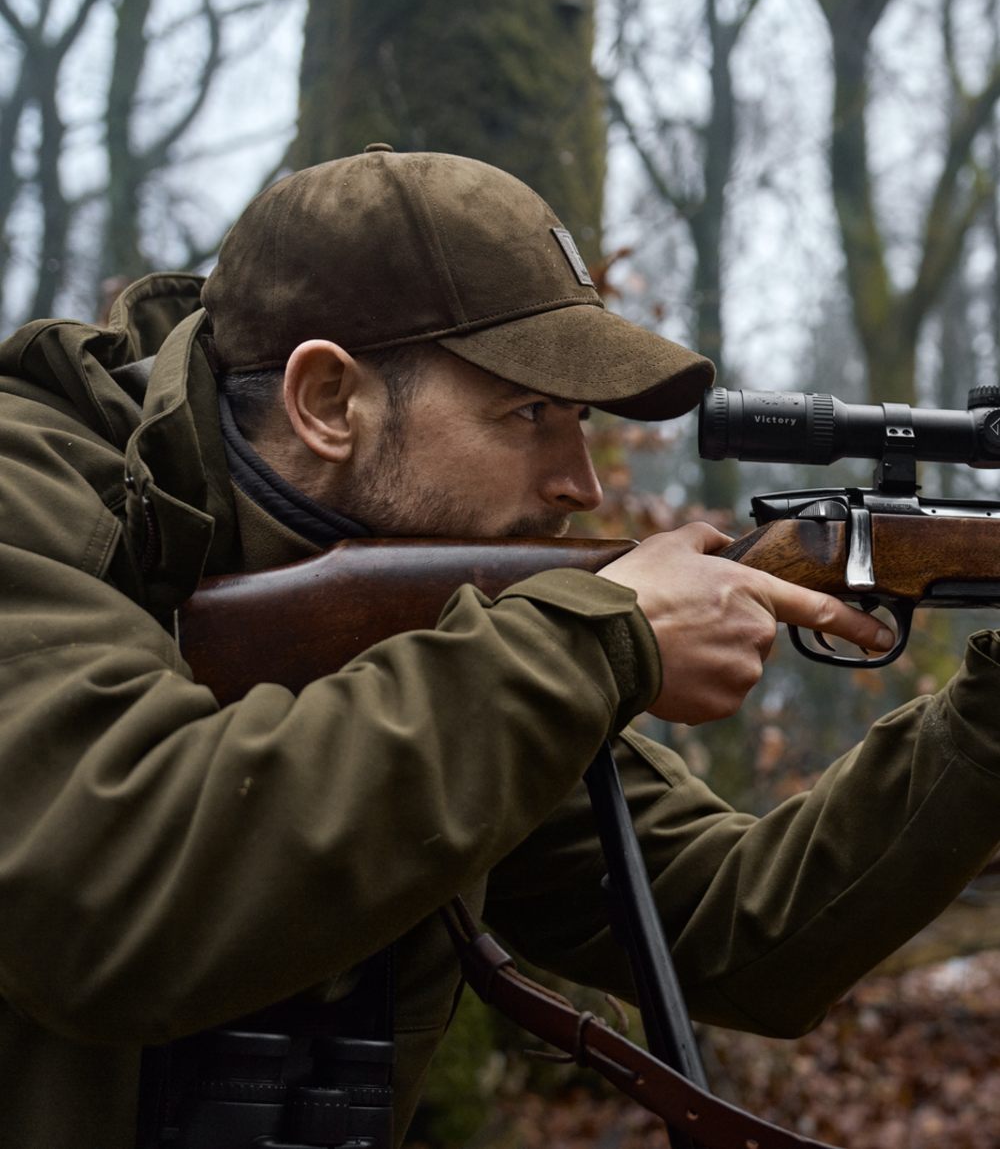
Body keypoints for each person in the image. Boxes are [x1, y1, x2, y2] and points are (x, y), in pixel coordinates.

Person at [1, 144, 998, 1149]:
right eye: (529, 413)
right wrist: (595, 642)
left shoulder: (436, 631)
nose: (582, 483)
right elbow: (107, 896)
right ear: (327, 402)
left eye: (578, 421)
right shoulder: (27, 499)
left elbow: (734, 929)